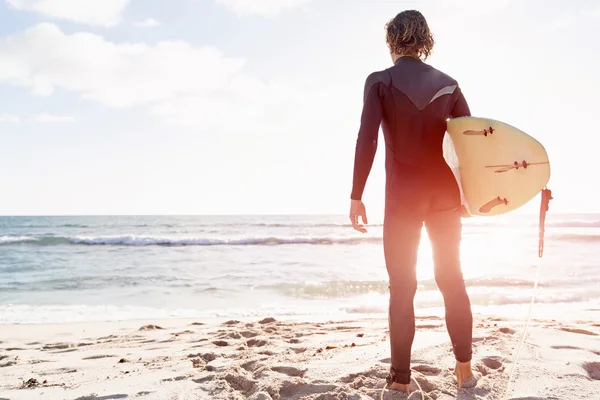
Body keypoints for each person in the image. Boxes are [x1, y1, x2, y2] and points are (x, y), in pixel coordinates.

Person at [348, 10, 477, 393]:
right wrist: (471, 196)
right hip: (445, 197)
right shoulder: (449, 85)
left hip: (403, 197)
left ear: (392, 40)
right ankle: (465, 370)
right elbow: (469, 143)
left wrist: (356, 195)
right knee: (452, 280)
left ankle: (401, 383)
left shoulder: (380, 81)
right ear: (425, 40)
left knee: (402, 288)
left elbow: (367, 139)